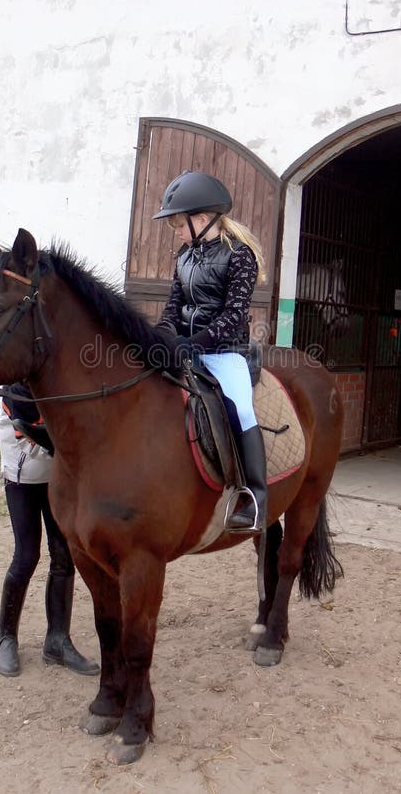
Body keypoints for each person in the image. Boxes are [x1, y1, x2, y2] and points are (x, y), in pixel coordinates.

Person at [152, 170, 268, 533]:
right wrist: (163, 336)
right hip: (185, 350)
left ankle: (255, 497)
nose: (177, 232)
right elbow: (173, 306)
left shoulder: (240, 256)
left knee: (239, 406)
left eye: (179, 224)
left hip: (224, 351)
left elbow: (234, 315)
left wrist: (196, 342)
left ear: (201, 219)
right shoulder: (184, 256)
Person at [0, 382, 99, 678]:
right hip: (25, 469)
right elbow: (30, 431)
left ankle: (57, 641)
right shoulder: (18, 383)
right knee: (26, 555)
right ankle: (5, 637)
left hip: (60, 473)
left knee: (64, 555)